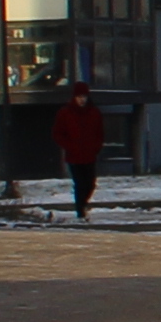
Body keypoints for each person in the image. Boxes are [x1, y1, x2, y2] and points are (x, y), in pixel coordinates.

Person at [52, 76, 107, 221]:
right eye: (79, 97)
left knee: (90, 183)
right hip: (74, 155)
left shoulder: (94, 112)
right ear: (74, 97)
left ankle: (82, 205)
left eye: (84, 96)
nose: (82, 100)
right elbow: (58, 133)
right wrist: (68, 146)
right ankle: (80, 211)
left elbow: (100, 132)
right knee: (79, 183)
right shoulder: (65, 113)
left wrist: (96, 147)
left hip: (90, 154)